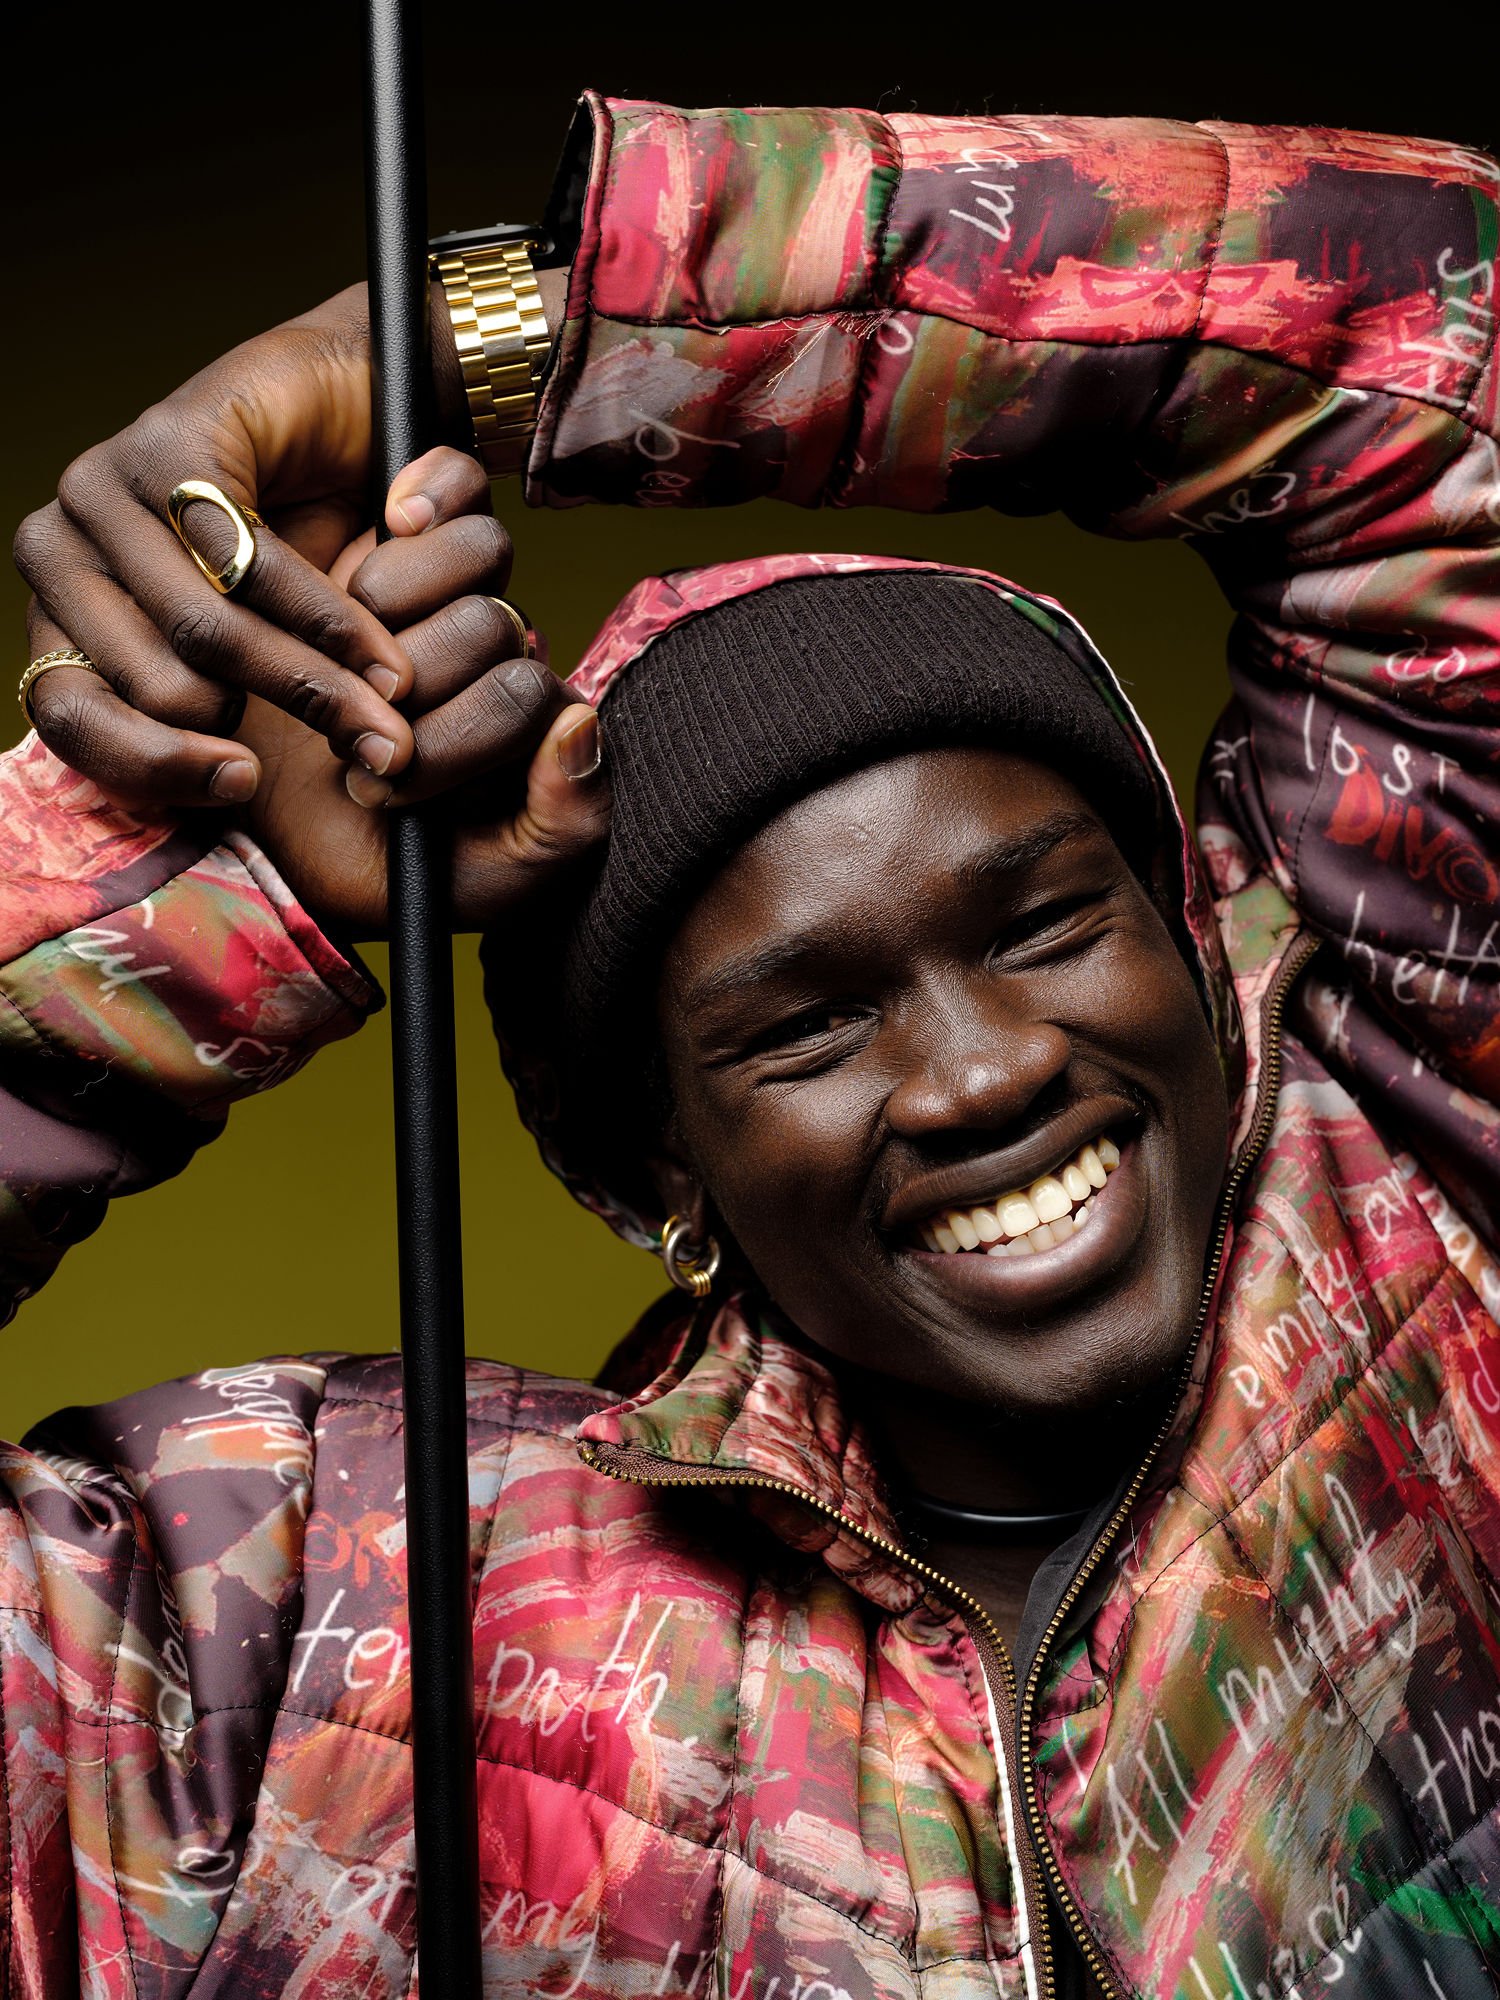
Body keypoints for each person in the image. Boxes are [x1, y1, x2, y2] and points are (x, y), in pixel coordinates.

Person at [4, 91, 1500, 2000]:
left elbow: (1446, 362)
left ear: (1197, 945)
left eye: (1043, 926)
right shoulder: (313, 1608)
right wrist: (216, 877)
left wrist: (472, 343)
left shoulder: (1439, 1236)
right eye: (801, 1031)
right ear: (658, 1169)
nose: (979, 1076)